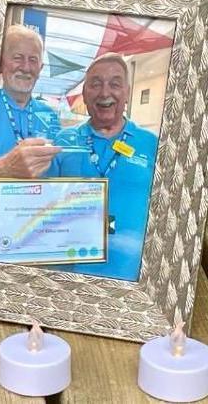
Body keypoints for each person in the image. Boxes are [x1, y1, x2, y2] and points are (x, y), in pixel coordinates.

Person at [45, 53, 158, 281]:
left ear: (126, 92)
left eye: (114, 84)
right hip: (68, 275)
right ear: (85, 95)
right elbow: (43, 205)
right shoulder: (63, 140)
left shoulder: (152, 143)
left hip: (132, 279)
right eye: (95, 84)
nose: (105, 92)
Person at [0, 25, 61, 257]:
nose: (25, 67)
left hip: (39, 231)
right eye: (17, 58)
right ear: (2, 62)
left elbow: (59, 177)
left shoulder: (51, 115)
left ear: (41, 68)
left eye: (33, 60)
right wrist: (1, 170)